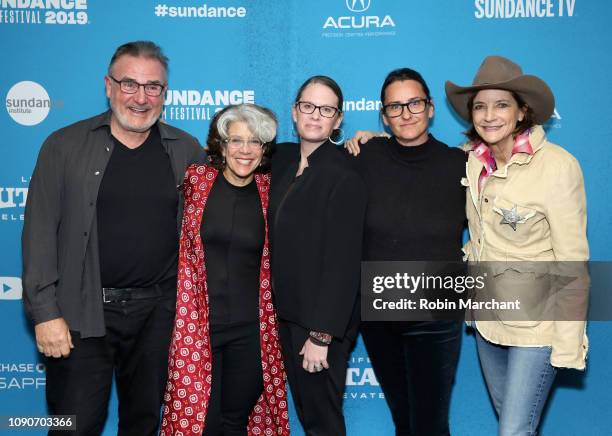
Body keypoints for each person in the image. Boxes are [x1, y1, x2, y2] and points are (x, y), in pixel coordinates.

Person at [21, 41, 205, 435]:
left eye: (153, 86)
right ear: (108, 85)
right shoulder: (63, 146)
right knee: (74, 425)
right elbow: (38, 233)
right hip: (79, 314)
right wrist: (45, 313)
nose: (141, 97)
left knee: (142, 423)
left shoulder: (186, 150)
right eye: (129, 84)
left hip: (158, 315)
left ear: (165, 93)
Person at [445, 55, 589, 435]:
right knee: (514, 423)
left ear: (522, 111)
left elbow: (573, 261)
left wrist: (568, 343)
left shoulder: (557, 167)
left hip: (539, 323)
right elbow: (420, 157)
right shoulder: (473, 161)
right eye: (480, 106)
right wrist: (372, 139)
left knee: (513, 430)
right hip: (489, 316)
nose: (489, 115)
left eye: (502, 104)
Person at [346, 68, 466, 436]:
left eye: (414, 103)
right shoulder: (365, 156)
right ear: (383, 115)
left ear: (430, 108)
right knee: (404, 420)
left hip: (435, 315)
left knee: (430, 425)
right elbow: (306, 165)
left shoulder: (459, 164)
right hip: (379, 312)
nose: (406, 113)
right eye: (395, 107)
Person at [160, 104, 290, 436]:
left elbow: (319, 161)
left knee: (235, 422)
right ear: (220, 145)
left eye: (255, 141)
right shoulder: (195, 180)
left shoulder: (271, 190)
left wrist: (370, 138)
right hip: (198, 330)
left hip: (252, 335)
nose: (245, 150)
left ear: (265, 149)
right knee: (202, 424)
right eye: (236, 140)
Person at [269, 75, 367, 436]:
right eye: (307, 106)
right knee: (311, 417)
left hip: (319, 325)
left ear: (338, 120)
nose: (315, 115)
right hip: (288, 315)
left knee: (322, 421)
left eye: (326, 109)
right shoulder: (280, 160)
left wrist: (321, 335)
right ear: (294, 112)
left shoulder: (344, 175)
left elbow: (344, 263)